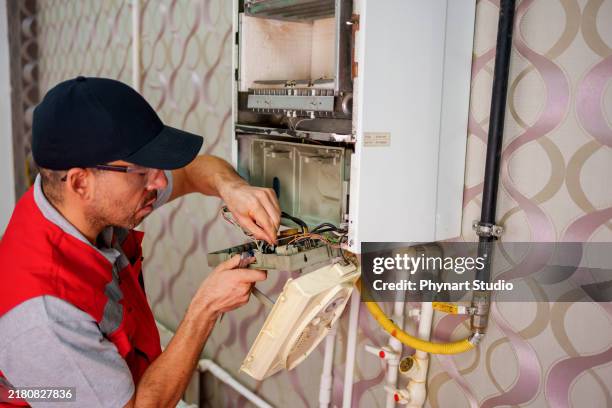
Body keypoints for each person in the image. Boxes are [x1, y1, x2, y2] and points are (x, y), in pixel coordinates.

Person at [0, 77, 281, 407]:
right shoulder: (45, 315)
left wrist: (231, 187)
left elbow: (194, 171)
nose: (160, 180)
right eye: (142, 171)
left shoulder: (69, 204)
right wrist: (206, 309)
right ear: (80, 183)